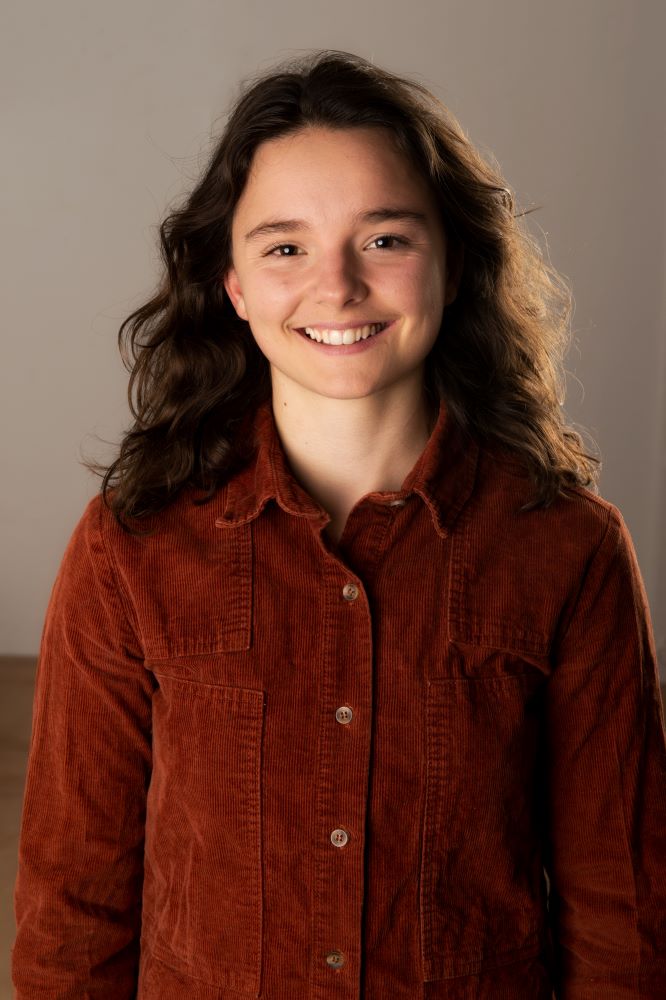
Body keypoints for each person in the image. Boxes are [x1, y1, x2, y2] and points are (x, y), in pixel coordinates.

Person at [12, 50, 666, 1000]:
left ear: (454, 264)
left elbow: (623, 918)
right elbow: (73, 908)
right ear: (234, 284)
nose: (338, 287)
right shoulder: (130, 544)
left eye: (385, 239)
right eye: (285, 248)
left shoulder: (569, 546)